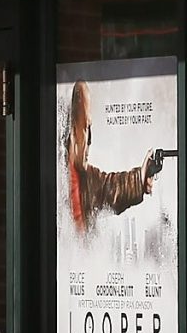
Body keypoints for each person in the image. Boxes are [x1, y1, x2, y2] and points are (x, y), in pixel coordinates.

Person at [63, 81, 166, 231]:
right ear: (71, 129)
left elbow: (111, 188)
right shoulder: (57, 177)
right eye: (86, 127)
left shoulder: (88, 178)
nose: (90, 140)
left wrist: (142, 175)